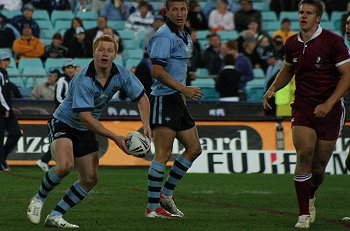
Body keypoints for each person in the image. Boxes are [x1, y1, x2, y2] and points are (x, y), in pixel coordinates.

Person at [27, 34, 151, 228]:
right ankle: (38, 199)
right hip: (64, 122)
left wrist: (147, 124)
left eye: (109, 51)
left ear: (115, 55)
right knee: (65, 166)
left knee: (90, 178)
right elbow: (85, 117)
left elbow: (142, 97)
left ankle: (55, 215)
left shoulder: (122, 74)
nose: (105, 54)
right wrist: (116, 138)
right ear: (93, 52)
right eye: (101, 50)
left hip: (85, 127)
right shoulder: (83, 78)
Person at [263, 0, 350, 229]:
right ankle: (303, 214)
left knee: (319, 168)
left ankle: (311, 192)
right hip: (302, 107)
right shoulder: (292, 42)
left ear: (318, 18)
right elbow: (288, 69)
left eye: (309, 13)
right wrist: (272, 88)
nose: (303, 16)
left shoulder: (333, 42)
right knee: (304, 154)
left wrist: (330, 103)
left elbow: (347, 76)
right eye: (301, 12)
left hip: (330, 111)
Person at [145, 0, 204, 218]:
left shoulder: (184, 33)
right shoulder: (164, 35)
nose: (179, 13)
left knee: (194, 148)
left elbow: (179, 69)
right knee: (163, 154)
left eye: (183, 9)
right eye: (174, 9)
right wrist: (184, 89)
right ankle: (152, 208)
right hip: (164, 99)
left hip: (178, 99)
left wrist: (183, 95)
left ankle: (166, 195)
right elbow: (157, 71)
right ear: (167, 11)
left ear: (188, 10)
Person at [0, 52, 22, 171]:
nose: (6, 62)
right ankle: (1, 161)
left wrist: (8, 108)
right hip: (2, 110)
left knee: (16, 133)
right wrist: (6, 108)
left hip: (6, 110)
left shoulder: (4, 73)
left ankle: (1, 158)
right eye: (4, 60)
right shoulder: (0, 74)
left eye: (7, 60)